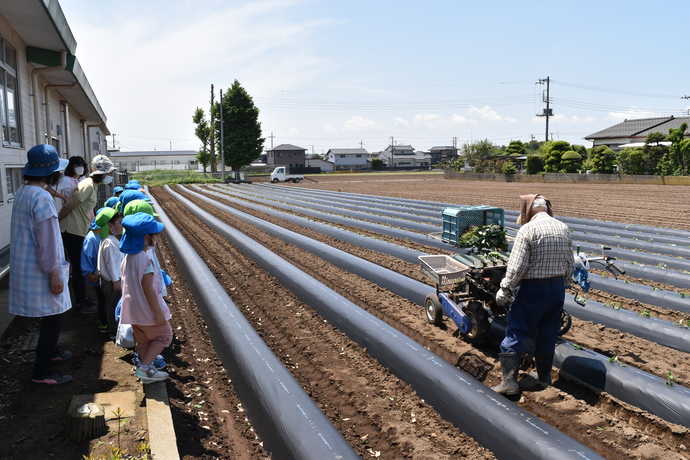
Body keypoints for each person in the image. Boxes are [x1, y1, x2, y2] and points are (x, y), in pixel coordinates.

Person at [492, 194, 574, 396]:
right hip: (556, 290)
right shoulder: (563, 227)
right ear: (546, 208)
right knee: (548, 333)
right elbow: (570, 262)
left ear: (529, 211)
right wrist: (564, 284)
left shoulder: (528, 229)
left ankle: (509, 383)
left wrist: (506, 288)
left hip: (533, 289)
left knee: (516, 331)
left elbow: (517, 266)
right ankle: (544, 378)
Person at [9, 144, 73, 387]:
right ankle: (42, 371)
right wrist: (53, 272)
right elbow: (46, 241)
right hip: (42, 269)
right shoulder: (43, 198)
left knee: (51, 315)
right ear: (52, 173)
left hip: (28, 267)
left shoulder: (24, 191)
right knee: (55, 316)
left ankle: (52, 352)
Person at [58, 155, 117, 313]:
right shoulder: (87, 185)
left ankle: (83, 298)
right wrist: (56, 224)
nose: (110, 176)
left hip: (79, 229)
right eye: (109, 173)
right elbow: (68, 206)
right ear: (100, 173)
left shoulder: (93, 185)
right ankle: (79, 303)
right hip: (72, 230)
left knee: (79, 266)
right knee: (78, 268)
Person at [119, 213, 172, 383]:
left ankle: (147, 369)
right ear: (147, 238)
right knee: (164, 335)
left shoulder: (128, 258)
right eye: (155, 235)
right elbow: (148, 288)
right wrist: (158, 313)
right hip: (147, 309)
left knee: (142, 340)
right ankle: (144, 368)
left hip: (133, 309)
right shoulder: (145, 260)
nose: (157, 238)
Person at [96, 208, 123, 339]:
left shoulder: (112, 240)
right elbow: (111, 264)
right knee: (113, 304)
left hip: (115, 279)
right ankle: (113, 330)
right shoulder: (109, 243)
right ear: (110, 225)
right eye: (120, 223)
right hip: (112, 281)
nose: (122, 225)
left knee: (115, 303)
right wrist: (115, 281)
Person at [81, 213, 108, 332]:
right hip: (96, 275)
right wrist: (88, 273)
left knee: (105, 298)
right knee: (103, 299)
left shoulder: (101, 235)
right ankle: (104, 323)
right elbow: (86, 257)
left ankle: (105, 320)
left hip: (103, 274)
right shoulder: (91, 238)